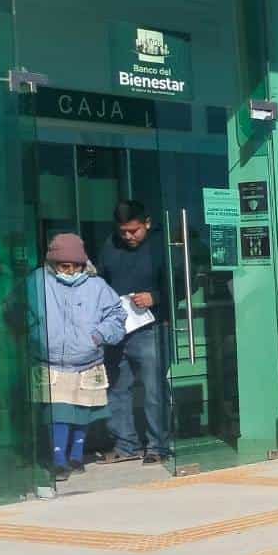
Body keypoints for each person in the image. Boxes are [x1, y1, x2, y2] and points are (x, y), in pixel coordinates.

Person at [26, 234, 126, 482]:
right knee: (58, 412)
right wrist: (36, 333)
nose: (69, 271)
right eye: (63, 266)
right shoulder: (37, 281)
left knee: (83, 412)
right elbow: (17, 309)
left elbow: (117, 315)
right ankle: (59, 460)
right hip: (51, 362)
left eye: (75, 266)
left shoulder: (97, 286)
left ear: (83, 264)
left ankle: (76, 455)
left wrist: (98, 335)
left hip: (87, 360)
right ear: (52, 263)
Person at [95, 200, 169, 466]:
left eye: (134, 231)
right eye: (123, 231)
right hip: (118, 328)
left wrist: (155, 296)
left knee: (153, 388)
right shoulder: (110, 245)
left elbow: (184, 281)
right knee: (117, 387)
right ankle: (126, 444)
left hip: (150, 327)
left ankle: (157, 445)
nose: (128, 236)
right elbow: (100, 281)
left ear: (147, 223)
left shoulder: (160, 246)